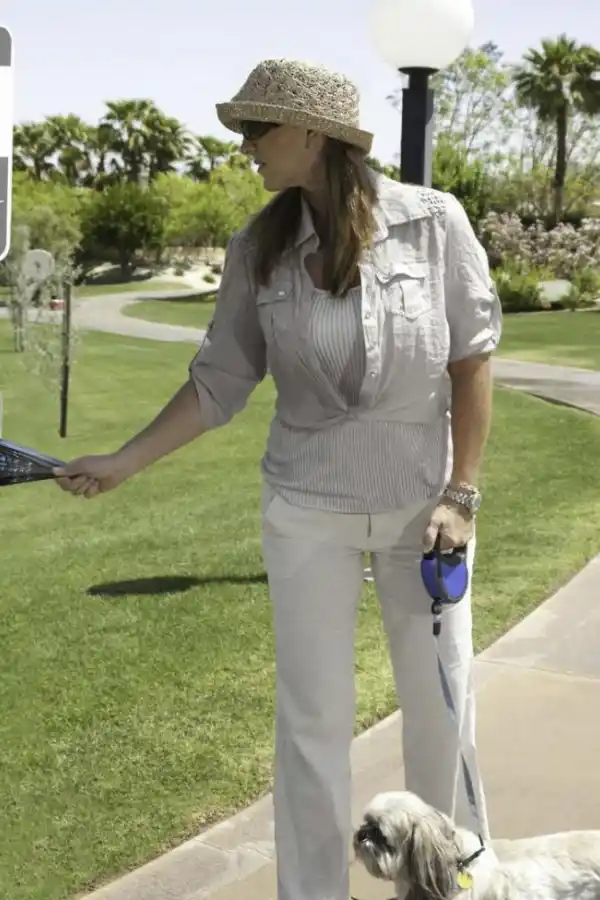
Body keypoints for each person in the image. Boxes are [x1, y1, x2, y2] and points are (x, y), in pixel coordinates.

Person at [55, 59, 502, 900]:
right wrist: (122, 462)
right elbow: (218, 382)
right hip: (306, 510)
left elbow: (472, 361)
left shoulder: (435, 223)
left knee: (443, 714)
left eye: (256, 130)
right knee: (310, 724)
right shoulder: (255, 249)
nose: (246, 147)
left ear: (310, 134)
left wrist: (461, 493)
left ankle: (448, 889)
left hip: (424, 513)